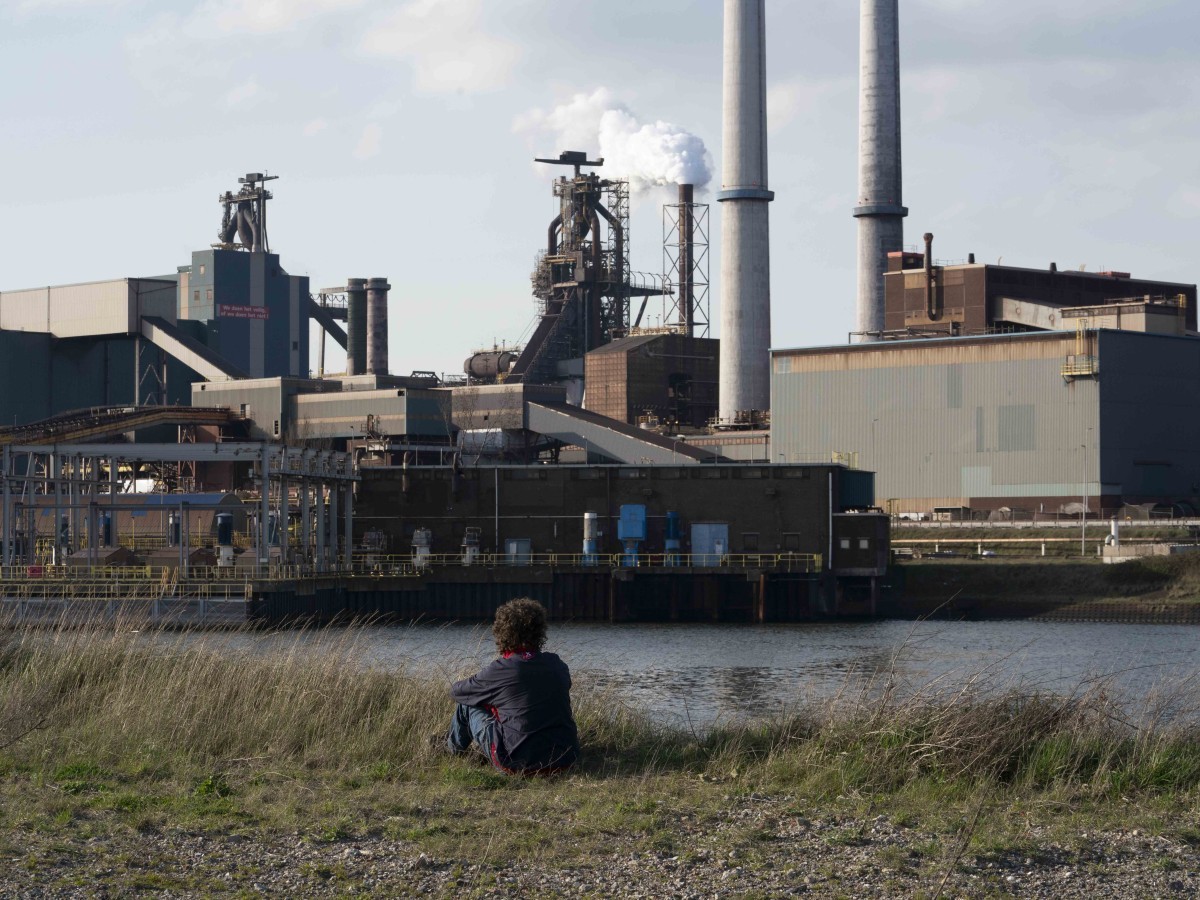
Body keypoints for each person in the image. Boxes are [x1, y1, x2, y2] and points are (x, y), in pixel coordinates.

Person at [446, 597, 579, 774]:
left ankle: (450, 751)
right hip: (566, 760)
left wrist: (489, 699)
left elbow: (457, 692)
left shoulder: (502, 669)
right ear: (540, 631)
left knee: (466, 705)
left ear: (502, 633)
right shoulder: (557, 664)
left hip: (516, 764)